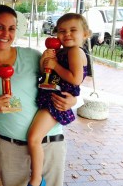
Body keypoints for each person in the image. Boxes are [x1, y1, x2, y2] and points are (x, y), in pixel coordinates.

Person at [0, 5, 79, 186]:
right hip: (11, 149)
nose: (6, 33)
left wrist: (72, 100)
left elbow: (61, 82)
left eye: (11, 28)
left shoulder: (32, 56)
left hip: (49, 143)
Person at [27, 13, 89, 186]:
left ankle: (36, 178)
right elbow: (45, 72)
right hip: (51, 93)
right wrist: (46, 60)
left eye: (73, 30)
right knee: (34, 137)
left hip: (57, 98)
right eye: (62, 30)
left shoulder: (76, 51)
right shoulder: (62, 52)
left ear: (85, 34)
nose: (66, 34)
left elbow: (75, 79)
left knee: (33, 138)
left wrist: (54, 65)